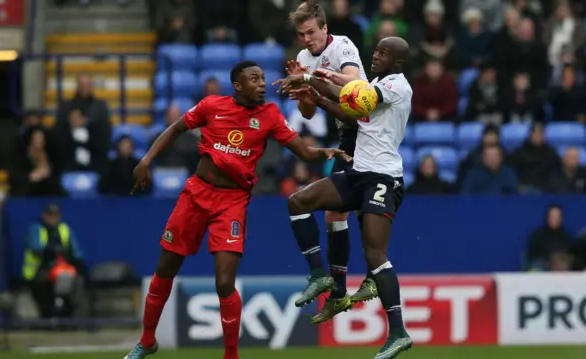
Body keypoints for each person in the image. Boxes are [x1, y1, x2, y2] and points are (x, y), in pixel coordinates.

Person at [124, 60, 350, 359]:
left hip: (232, 202)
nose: (261, 84)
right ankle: (147, 340)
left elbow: (304, 152)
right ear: (238, 85)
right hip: (196, 194)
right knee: (165, 268)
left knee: (224, 282)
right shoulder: (211, 106)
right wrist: (145, 162)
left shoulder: (269, 115)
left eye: (262, 78)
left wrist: (324, 152)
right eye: (253, 79)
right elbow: (175, 129)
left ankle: (231, 355)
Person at [275, 37, 414, 359]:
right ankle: (320, 275)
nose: (375, 56)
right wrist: (317, 99)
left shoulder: (397, 85)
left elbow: (356, 96)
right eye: (375, 50)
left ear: (397, 62)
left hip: (382, 178)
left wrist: (311, 78)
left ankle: (398, 332)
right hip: (358, 174)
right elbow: (355, 117)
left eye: (383, 53)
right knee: (298, 202)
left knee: (375, 252)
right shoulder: (377, 83)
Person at [284, 0, 371, 312]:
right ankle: (338, 292)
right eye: (301, 34)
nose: (307, 40)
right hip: (347, 133)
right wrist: (305, 95)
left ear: (324, 28)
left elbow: (354, 83)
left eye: (311, 32)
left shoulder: (342, 47)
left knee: (355, 208)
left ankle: (363, 279)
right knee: (336, 213)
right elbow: (307, 113)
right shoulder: (303, 57)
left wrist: (310, 81)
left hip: (366, 130)